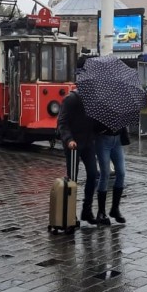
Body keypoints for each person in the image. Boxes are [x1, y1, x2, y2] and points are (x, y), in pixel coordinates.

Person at [57, 89, 100, 226]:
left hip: (88, 143)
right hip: (73, 144)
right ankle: (71, 214)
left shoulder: (94, 101)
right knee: (72, 179)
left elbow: (95, 124)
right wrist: (69, 139)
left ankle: (86, 211)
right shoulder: (71, 99)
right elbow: (62, 122)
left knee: (93, 174)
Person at [94, 123, 129, 225]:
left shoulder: (119, 108)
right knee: (105, 174)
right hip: (103, 139)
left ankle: (115, 209)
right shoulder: (99, 108)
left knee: (121, 173)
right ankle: (101, 212)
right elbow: (93, 126)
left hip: (117, 140)